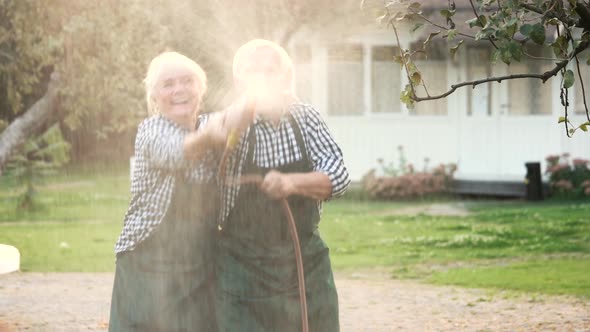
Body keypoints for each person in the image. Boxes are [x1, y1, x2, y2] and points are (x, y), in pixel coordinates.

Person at [215, 39, 350, 332]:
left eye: (270, 70)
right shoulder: (226, 122)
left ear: (286, 77)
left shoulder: (305, 117)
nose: (261, 77)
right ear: (239, 81)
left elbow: (338, 176)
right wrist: (229, 125)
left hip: (303, 260)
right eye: (252, 71)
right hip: (242, 265)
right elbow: (199, 162)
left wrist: (292, 182)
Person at [109, 51, 225, 331]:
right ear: (155, 97)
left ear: (201, 88)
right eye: (168, 84)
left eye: (187, 81)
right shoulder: (151, 130)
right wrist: (212, 136)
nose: (179, 90)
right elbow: (177, 152)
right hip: (146, 267)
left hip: (198, 267)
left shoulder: (212, 124)